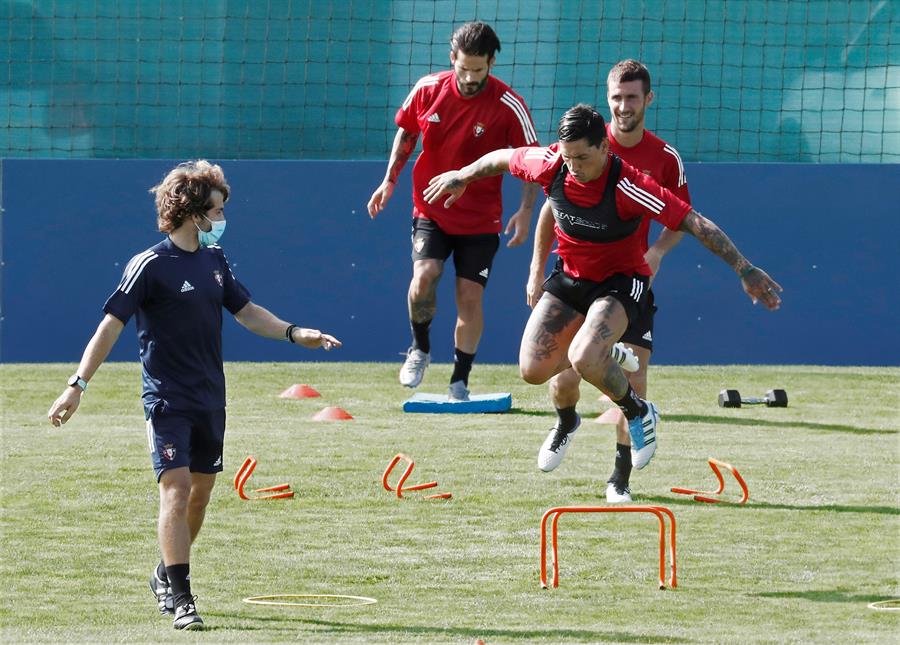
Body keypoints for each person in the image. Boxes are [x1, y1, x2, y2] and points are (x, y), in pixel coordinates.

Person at [424, 104, 782, 491]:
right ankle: (575, 408)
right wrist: (462, 175)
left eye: (582, 157)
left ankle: (637, 413)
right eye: (568, 157)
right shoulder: (551, 164)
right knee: (532, 371)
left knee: (584, 356)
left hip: (620, 284)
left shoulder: (629, 185)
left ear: (604, 148)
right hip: (571, 280)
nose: (573, 166)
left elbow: (694, 222)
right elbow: (501, 158)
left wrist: (745, 269)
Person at [46, 161, 341, 631]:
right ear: (192, 212)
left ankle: (165, 573)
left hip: (210, 399)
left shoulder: (215, 260)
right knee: (177, 490)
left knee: (200, 497)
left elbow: (246, 311)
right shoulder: (149, 265)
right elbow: (110, 326)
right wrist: (76, 386)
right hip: (167, 400)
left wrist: (293, 332)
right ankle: (182, 599)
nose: (223, 219)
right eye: (217, 210)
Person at [525, 60, 691, 503]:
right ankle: (566, 421)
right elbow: (551, 208)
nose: (623, 106)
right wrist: (537, 269)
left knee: (633, 382)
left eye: (632, 97)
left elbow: (682, 218)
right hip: (577, 281)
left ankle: (619, 479)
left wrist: (657, 252)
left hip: (626, 283)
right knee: (562, 377)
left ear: (648, 99)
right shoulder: (582, 145)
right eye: (616, 97)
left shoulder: (664, 158)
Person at [367, 21, 540, 401]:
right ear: (452, 59)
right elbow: (407, 133)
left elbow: (532, 158)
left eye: (478, 69)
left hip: (480, 220)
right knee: (425, 275)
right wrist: (389, 181)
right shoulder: (428, 89)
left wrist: (526, 210)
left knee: (469, 296)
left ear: (491, 63)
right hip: (431, 208)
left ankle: (459, 380)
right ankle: (420, 349)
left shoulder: (508, 105)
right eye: (463, 68)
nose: (470, 77)